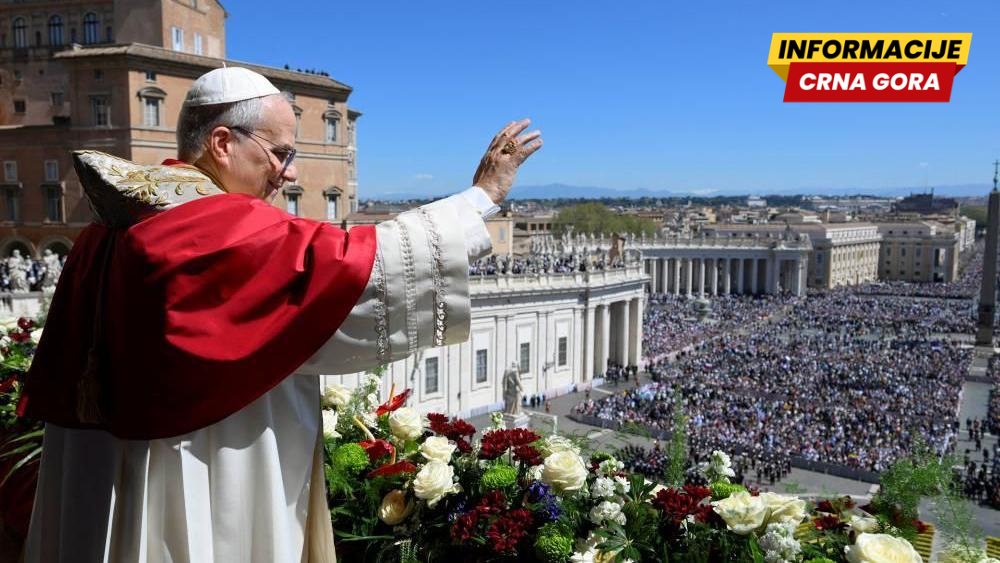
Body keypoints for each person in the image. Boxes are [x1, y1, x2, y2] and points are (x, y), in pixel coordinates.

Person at [19, 67, 542, 562]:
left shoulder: (111, 224)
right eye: (280, 153)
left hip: (102, 469)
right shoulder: (211, 226)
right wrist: (482, 197)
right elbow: (355, 266)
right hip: (198, 464)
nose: (288, 174)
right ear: (222, 143)